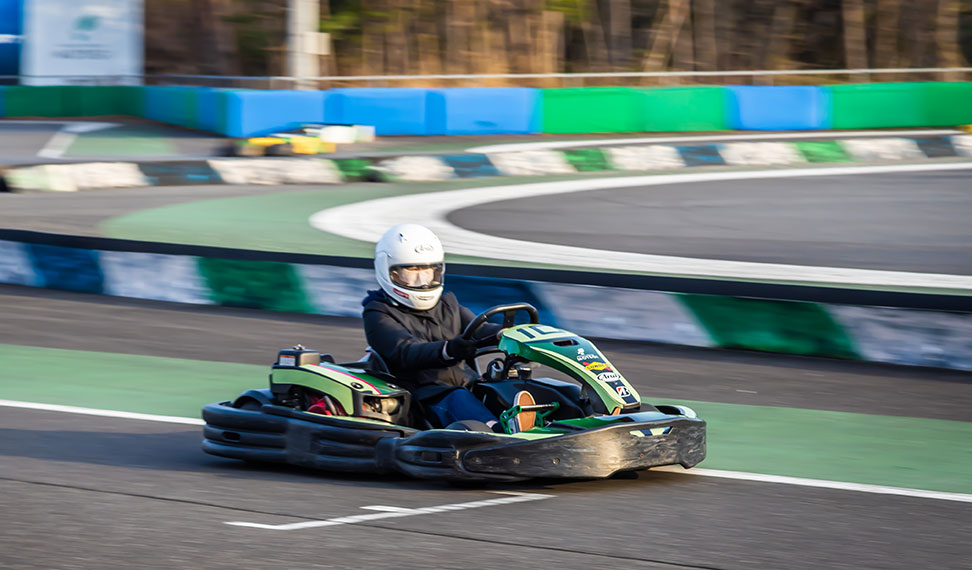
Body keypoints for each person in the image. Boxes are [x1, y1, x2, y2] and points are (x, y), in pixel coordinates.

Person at [361, 223, 535, 433]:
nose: (422, 280)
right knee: (459, 398)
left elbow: (480, 329)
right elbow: (406, 352)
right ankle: (502, 434)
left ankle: (560, 421)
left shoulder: (447, 304)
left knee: (506, 387)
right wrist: (448, 350)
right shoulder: (378, 313)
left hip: (467, 385)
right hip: (425, 398)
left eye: (428, 271)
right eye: (412, 272)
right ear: (390, 272)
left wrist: (515, 335)